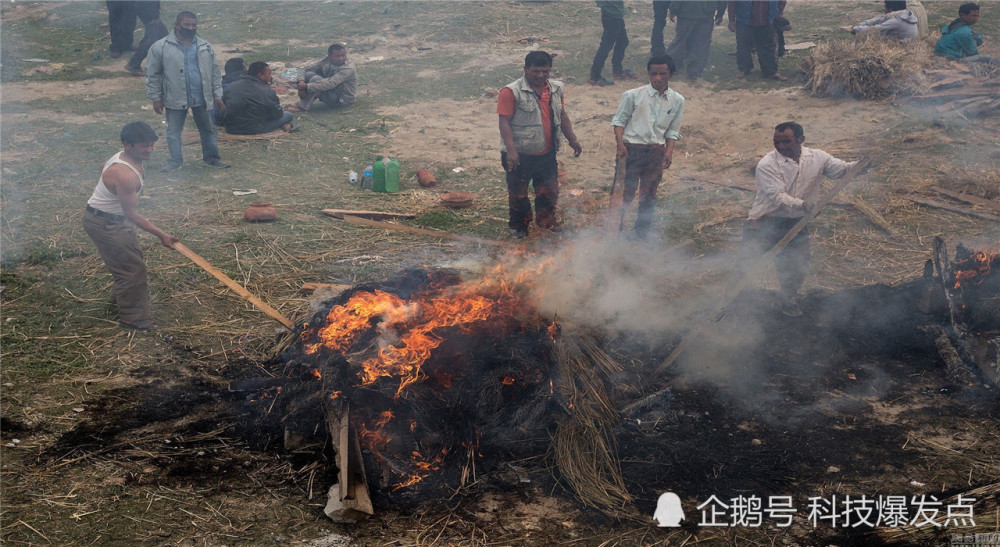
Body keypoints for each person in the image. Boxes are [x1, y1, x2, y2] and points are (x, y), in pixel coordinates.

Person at [741, 122, 868, 317]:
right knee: (747, 263)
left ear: (801, 140)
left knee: (797, 263)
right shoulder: (767, 164)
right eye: (777, 142)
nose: (781, 146)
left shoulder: (817, 157)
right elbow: (778, 197)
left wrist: (859, 166)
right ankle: (732, 302)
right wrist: (803, 205)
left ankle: (787, 300)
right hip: (765, 221)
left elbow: (841, 170)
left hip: (796, 221)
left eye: (787, 142)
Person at [83, 122, 179, 331]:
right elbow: (131, 214)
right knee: (132, 270)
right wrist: (162, 235)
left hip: (111, 218)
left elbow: (102, 168)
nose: (149, 150)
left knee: (130, 257)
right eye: (144, 146)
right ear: (128, 145)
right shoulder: (125, 175)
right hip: (105, 223)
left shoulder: (123, 157)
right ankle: (134, 320)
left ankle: (119, 297)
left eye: (151, 145)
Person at [498, 51, 583, 239]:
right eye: (536, 71)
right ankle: (519, 227)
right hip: (520, 153)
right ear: (526, 69)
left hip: (546, 152)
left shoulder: (556, 88)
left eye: (545, 71)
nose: (541, 76)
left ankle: (546, 222)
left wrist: (572, 139)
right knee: (519, 194)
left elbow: (561, 114)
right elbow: (504, 122)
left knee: (548, 191)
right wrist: (511, 151)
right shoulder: (510, 91)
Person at [610, 55, 684, 239]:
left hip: (655, 152)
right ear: (648, 74)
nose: (658, 78)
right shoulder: (633, 95)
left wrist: (668, 151)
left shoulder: (677, 100)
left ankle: (641, 233)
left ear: (670, 74)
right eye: (653, 74)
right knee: (624, 193)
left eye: (662, 74)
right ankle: (614, 231)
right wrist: (620, 145)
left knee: (649, 194)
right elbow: (619, 121)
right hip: (631, 150)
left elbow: (672, 130)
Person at [145, 11, 230, 172]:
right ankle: (174, 161)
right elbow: (152, 74)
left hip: (201, 97)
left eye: (194, 25)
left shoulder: (204, 46)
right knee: (173, 132)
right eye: (187, 25)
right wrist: (156, 98)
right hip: (175, 97)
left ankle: (212, 158)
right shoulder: (161, 47)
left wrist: (217, 95)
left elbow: (215, 73)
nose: (191, 28)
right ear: (177, 25)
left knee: (208, 130)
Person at [221, 61, 297, 135]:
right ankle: (285, 125)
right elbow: (278, 114)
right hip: (255, 129)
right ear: (260, 75)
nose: (270, 77)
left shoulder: (231, 87)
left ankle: (284, 125)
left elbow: (222, 109)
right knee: (288, 115)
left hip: (231, 128)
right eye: (269, 74)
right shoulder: (267, 90)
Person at [664, 1, 726, 82]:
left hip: (687, 13)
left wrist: (673, 10)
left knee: (680, 42)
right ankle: (695, 72)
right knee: (701, 45)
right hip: (705, 14)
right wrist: (720, 13)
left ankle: (671, 67)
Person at [728, 0, 787, 81]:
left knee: (768, 46)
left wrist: (779, 13)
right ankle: (744, 69)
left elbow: (782, 1)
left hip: (767, 20)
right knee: (743, 46)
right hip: (745, 20)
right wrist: (731, 20)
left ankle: (770, 72)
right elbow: (732, 2)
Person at [288, 44, 357, 112]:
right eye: (337, 56)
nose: (341, 58)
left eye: (343, 55)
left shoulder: (348, 67)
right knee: (308, 74)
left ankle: (302, 106)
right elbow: (304, 69)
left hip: (342, 99)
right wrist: (301, 82)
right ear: (330, 56)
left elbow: (330, 83)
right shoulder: (326, 61)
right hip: (331, 92)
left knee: (316, 79)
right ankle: (304, 102)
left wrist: (306, 86)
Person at [934, 3, 999, 66]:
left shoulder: (951, 25)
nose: (976, 18)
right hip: (952, 61)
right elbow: (973, 54)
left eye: (977, 16)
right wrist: (978, 39)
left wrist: (977, 38)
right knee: (986, 58)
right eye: (973, 15)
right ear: (963, 15)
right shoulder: (965, 32)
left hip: (940, 56)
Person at [589, 1, 635, 86]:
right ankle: (595, 76)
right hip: (612, 15)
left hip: (614, 14)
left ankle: (617, 69)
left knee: (623, 41)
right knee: (606, 46)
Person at [123, 1, 167, 75]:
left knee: (163, 35)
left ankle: (164, 63)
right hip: (147, 9)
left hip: (145, 8)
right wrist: (154, 15)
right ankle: (133, 64)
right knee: (150, 39)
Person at [850, 1, 918, 42]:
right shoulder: (904, 15)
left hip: (901, 48)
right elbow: (879, 19)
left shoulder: (896, 21)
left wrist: (856, 29)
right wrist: (861, 24)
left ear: (890, 9)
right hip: (908, 45)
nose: (883, 9)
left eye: (885, 7)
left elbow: (876, 29)